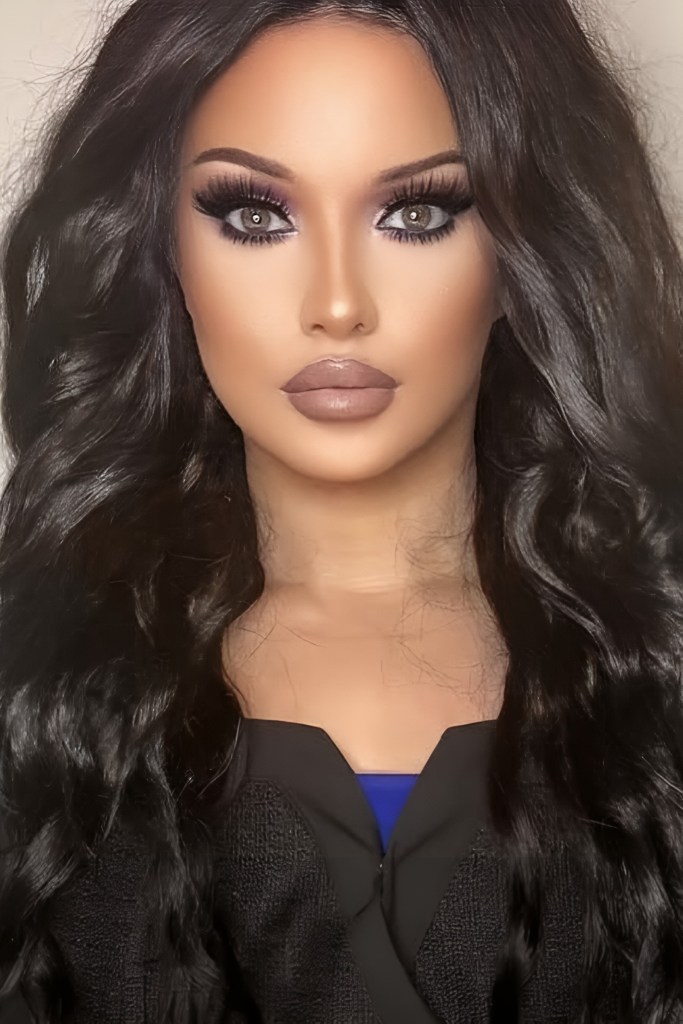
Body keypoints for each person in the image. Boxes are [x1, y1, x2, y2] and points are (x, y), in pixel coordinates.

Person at [1, 0, 682, 1020]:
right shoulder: (28, 689)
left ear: (522, 250)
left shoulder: (661, 663)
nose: (335, 304)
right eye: (252, 216)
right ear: (160, 247)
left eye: (416, 214)